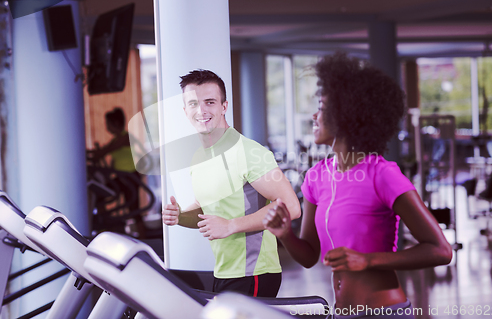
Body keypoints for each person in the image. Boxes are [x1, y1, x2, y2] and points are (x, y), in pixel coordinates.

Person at [263, 53, 452, 318]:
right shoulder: (316, 177)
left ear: (347, 114)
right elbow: (308, 256)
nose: (314, 116)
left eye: (322, 107)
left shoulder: (382, 174)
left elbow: (440, 250)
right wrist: (285, 235)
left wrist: (367, 260)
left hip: (385, 312)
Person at [162, 69, 301, 297]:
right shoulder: (199, 156)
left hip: (254, 274)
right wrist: (179, 216)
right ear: (185, 110)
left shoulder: (249, 152)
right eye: (194, 104)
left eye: (210, 102)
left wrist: (231, 226)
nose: (202, 110)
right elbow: (208, 213)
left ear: (224, 106)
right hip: (224, 273)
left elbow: (291, 207)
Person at [87, 107, 146, 238]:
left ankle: (144, 239)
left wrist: (86, 154)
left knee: (134, 211)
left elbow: (104, 151)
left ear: (117, 123)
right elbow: (113, 161)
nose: (106, 127)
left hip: (130, 178)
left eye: (108, 124)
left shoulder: (125, 138)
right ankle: (108, 226)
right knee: (100, 195)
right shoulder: (116, 139)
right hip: (121, 178)